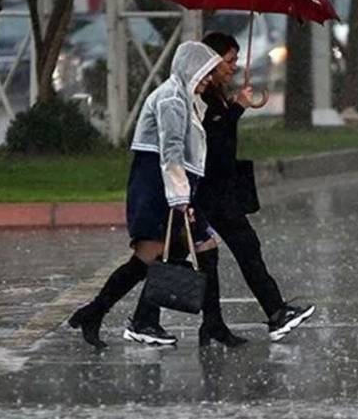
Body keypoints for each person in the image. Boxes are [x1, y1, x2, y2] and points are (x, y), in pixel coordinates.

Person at [68, 41, 235, 349]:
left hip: (172, 186)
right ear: (190, 69)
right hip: (158, 187)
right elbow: (171, 152)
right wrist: (181, 199)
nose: (209, 79)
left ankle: (205, 323)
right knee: (150, 257)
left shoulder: (185, 98)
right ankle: (111, 315)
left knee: (198, 249)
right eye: (205, 72)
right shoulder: (171, 99)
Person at [198, 31, 315, 343]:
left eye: (236, 60)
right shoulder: (202, 96)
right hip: (212, 191)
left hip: (219, 189)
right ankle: (275, 312)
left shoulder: (216, 94)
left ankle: (215, 323)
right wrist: (236, 108)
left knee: (218, 257)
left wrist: (236, 106)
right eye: (229, 60)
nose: (234, 66)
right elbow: (212, 142)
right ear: (211, 61)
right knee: (241, 250)